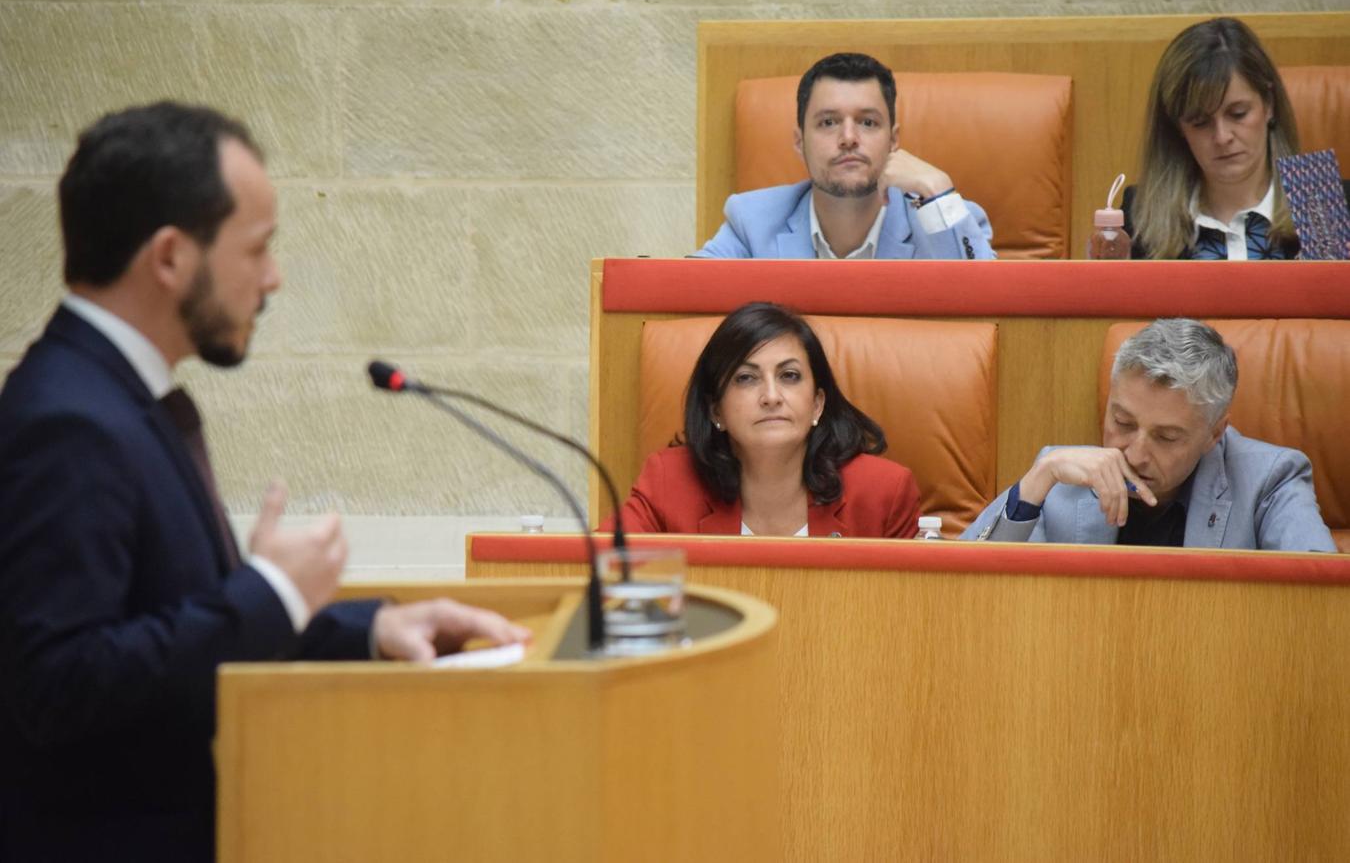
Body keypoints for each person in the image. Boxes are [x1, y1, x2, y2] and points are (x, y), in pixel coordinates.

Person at [0, 102, 530, 862]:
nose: (274, 277)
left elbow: (178, 622)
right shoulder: (69, 421)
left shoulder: (116, 396)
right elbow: (62, 685)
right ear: (171, 257)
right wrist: (271, 593)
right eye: (258, 249)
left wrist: (372, 629)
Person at [961, 318, 1335, 551]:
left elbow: (1317, 602)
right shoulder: (1061, 476)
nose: (1135, 454)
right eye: (1123, 423)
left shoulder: (1269, 481)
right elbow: (967, 590)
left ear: (1214, 433)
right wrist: (1038, 479)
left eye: (1167, 437)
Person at [610, 302, 921, 537]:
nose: (771, 396)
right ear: (716, 410)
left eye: (789, 376)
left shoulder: (883, 493)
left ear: (817, 404)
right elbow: (597, 573)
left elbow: (916, 614)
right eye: (746, 378)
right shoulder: (667, 483)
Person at [691, 52, 995, 261]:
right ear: (799, 142)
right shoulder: (752, 222)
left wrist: (939, 190)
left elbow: (993, 311)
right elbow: (689, 299)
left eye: (867, 122)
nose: (849, 138)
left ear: (894, 141)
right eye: (828, 122)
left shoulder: (946, 219)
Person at [1124, 16, 1350, 260]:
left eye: (1238, 114)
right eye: (1200, 122)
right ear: (1178, 127)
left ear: (1269, 104)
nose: (1222, 137)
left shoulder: (1325, 202)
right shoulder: (1140, 216)